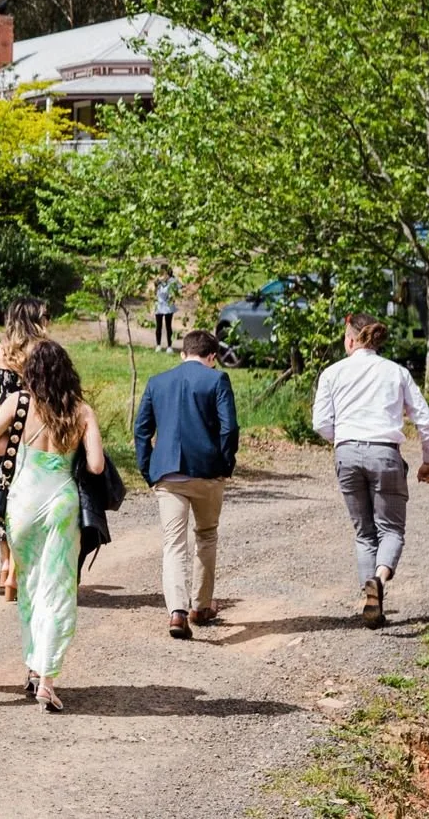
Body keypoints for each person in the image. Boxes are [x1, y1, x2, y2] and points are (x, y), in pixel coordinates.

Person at [0, 341, 105, 711]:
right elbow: (95, 466)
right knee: (59, 588)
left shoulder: (18, 402)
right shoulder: (81, 411)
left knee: (30, 586)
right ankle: (47, 679)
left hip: (24, 501)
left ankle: (33, 668)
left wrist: (11, 447)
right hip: (62, 502)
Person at [313, 313, 429, 629]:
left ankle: (370, 596)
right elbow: (426, 422)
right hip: (385, 454)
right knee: (391, 529)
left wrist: (342, 440)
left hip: (347, 454)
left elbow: (320, 424)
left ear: (352, 339)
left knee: (364, 532)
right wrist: (428, 460)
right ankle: (379, 581)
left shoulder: (332, 373)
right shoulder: (396, 373)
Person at [134, 329, 239, 639]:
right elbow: (229, 428)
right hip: (208, 472)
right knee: (206, 536)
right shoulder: (216, 379)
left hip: (168, 474)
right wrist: (225, 463)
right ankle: (201, 606)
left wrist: (148, 470)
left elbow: (141, 431)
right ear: (212, 357)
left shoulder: (158, 382)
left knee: (174, 542)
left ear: (183, 353)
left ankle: (177, 612)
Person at [0, 295, 51, 601]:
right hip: (35, 429)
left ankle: (5, 562)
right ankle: (21, 567)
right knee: (31, 494)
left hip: (4, 429)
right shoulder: (44, 352)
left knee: (3, 492)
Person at [153, 267, 181, 350]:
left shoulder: (172, 282)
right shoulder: (158, 282)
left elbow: (180, 287)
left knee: (168, 326)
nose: (162, 276)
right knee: (159, 326)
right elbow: (155, 293)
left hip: (168, 306)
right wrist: (156, 285)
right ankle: (158, 345)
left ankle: (169, 346)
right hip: (159, 305)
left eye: (165, 274)